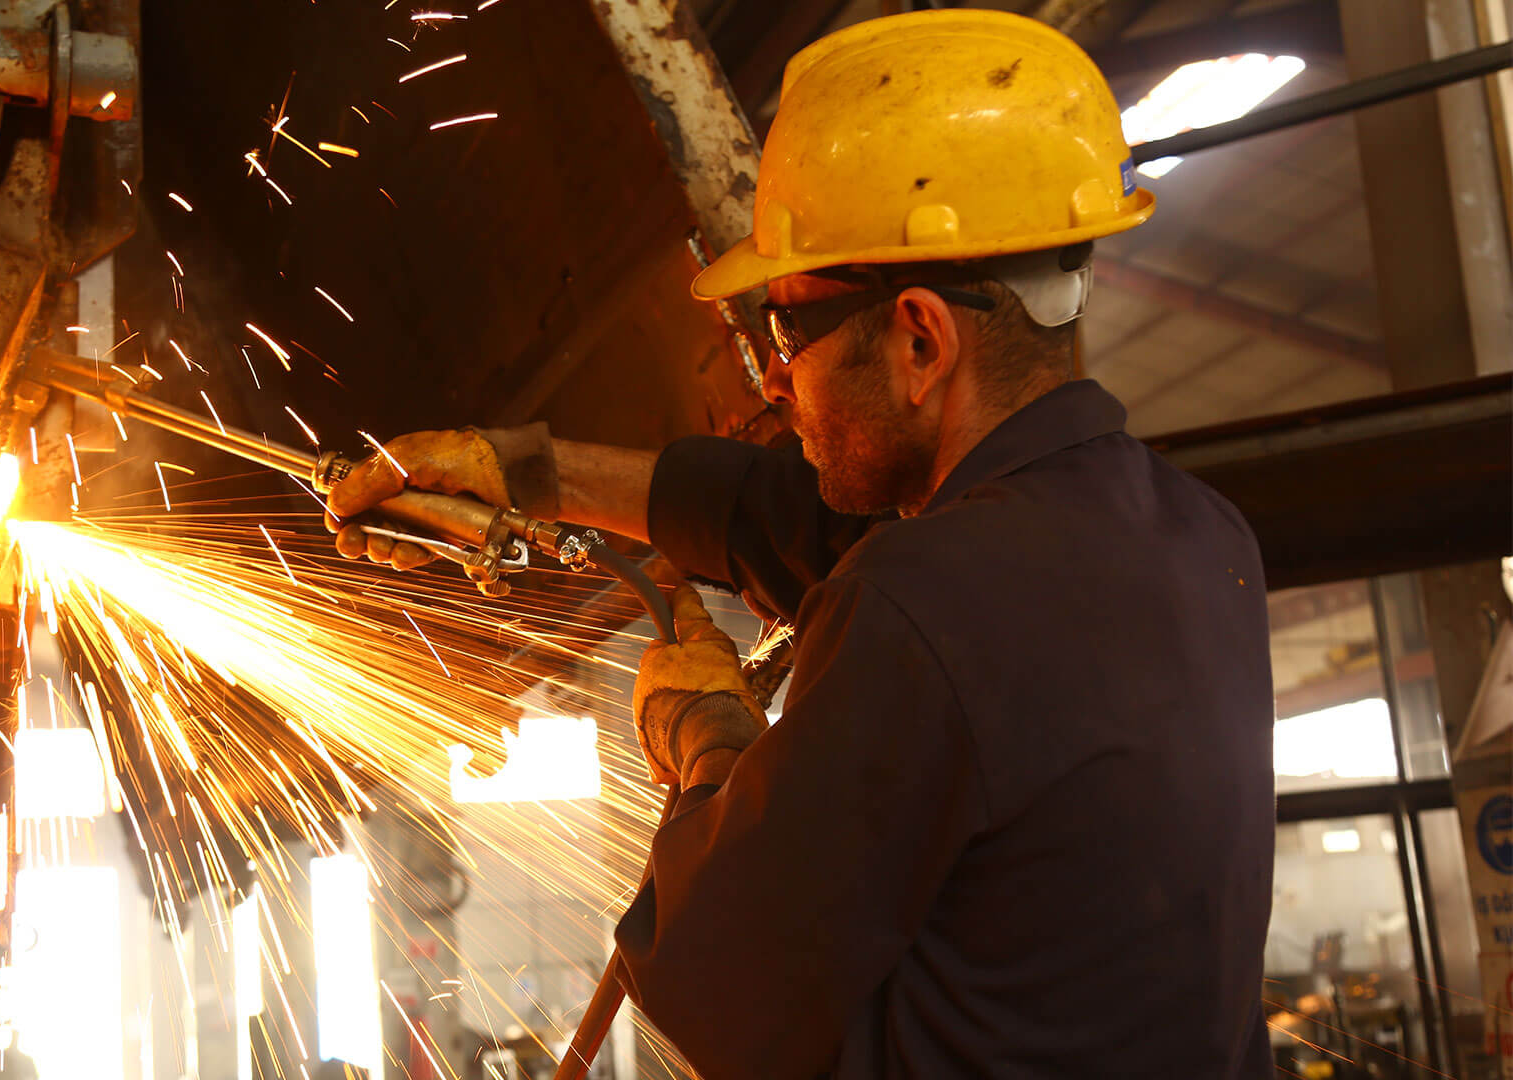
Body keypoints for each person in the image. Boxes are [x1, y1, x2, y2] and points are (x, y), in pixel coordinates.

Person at [324, 10, 1275, 1077]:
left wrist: (703, 733)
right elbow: (813, 521)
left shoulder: (924, 602)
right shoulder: (1197, 540)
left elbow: (702, 982)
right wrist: (531, 471)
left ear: (919, 336)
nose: (775, 376)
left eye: (789, 327)